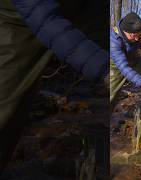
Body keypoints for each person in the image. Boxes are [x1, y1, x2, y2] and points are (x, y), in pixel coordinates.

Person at [0, 0, 107, 173]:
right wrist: (102, 68)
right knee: (6, 106)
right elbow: (41, 15)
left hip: (77, 9)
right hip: (17, 17)